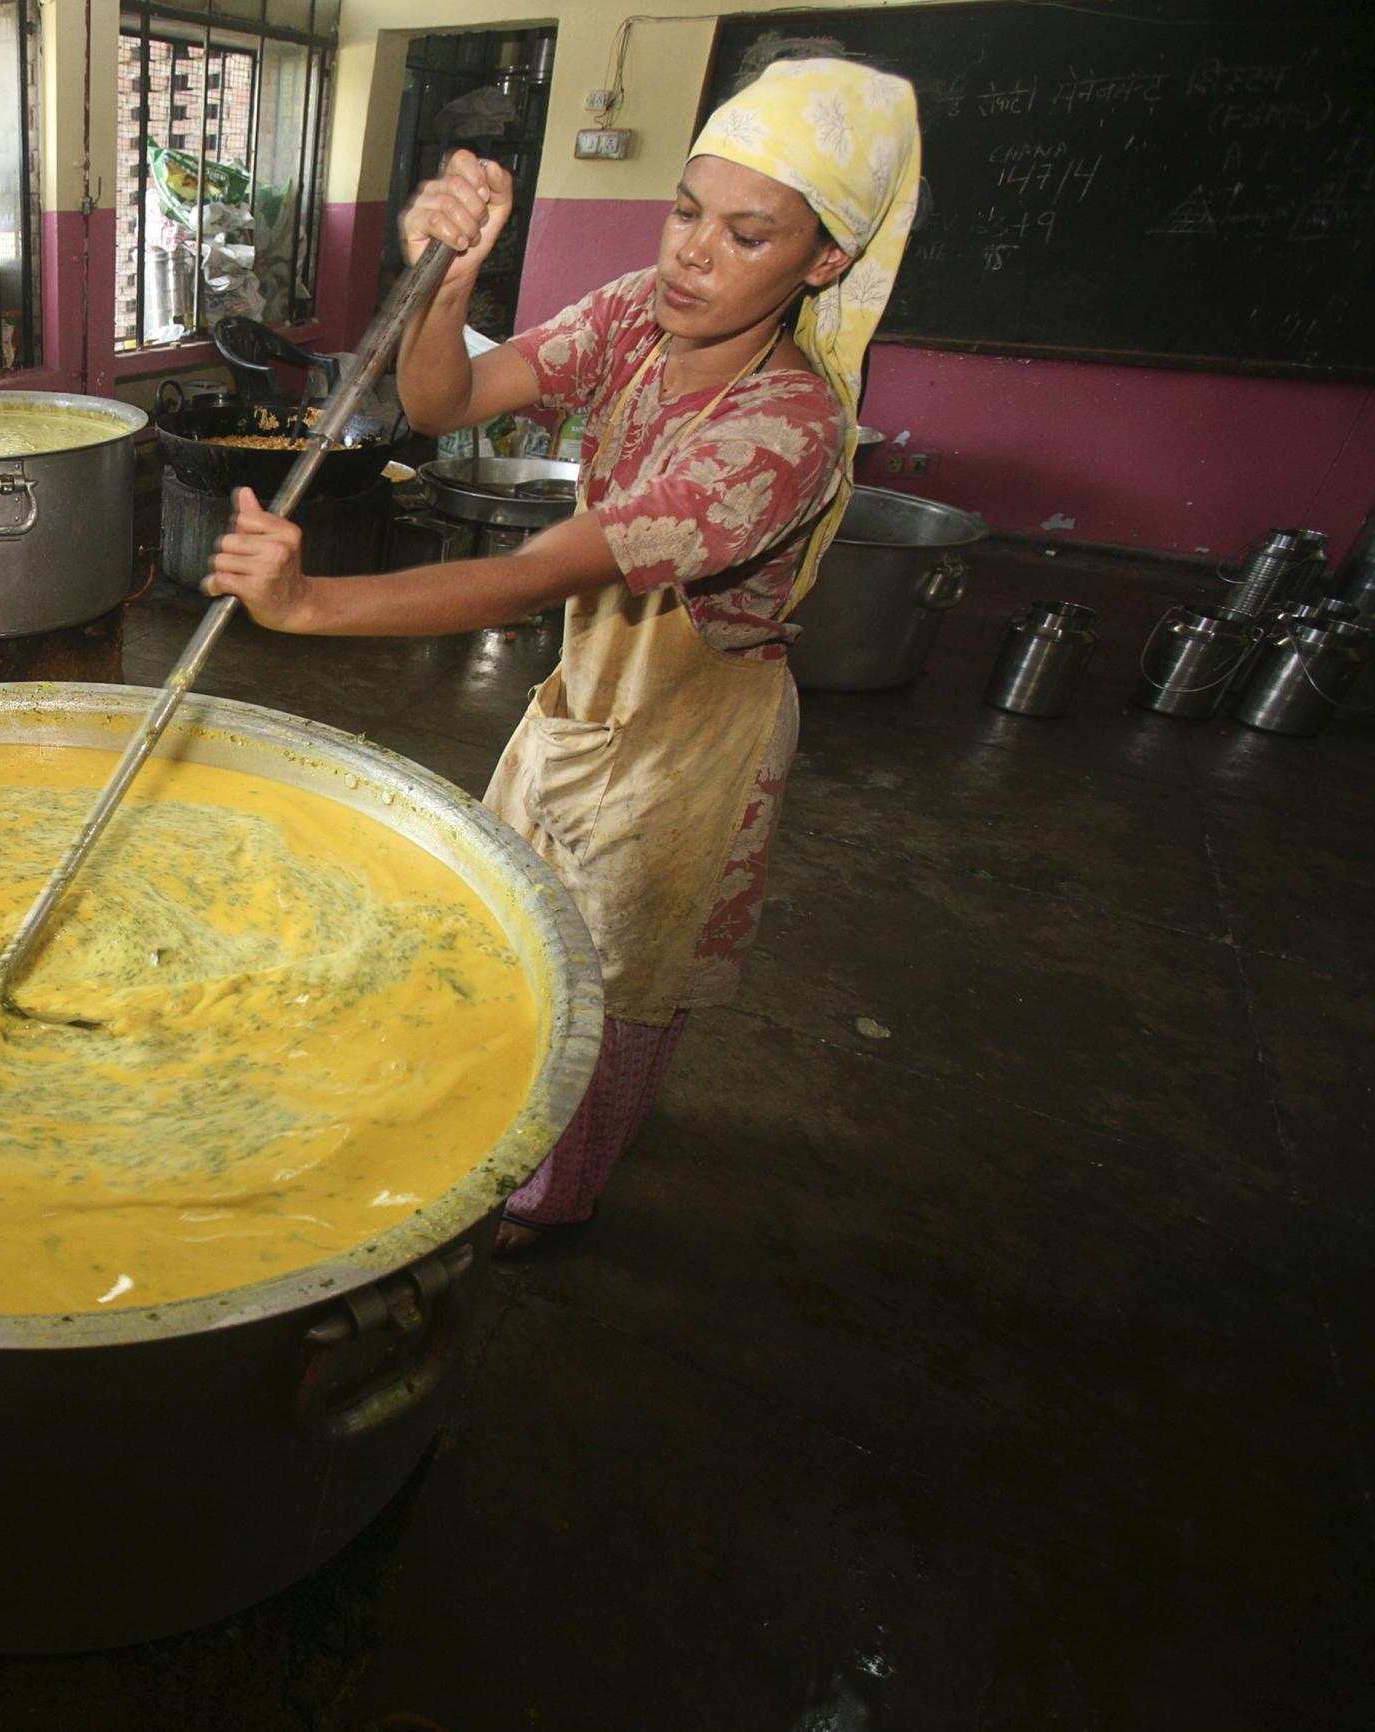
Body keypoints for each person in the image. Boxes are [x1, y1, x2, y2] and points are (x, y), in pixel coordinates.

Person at [205, 59, 921, 1251]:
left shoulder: (782, 431)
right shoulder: (642, 312)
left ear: (824, 262)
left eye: (746, 234)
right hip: (589, 689)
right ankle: (497, 1121)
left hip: (693, 734)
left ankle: (545, 1199)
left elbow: (544, 571)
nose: (692, 253)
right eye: (685, 210)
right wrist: (451, 275)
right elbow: (448, 402)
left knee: (620, 974)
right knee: (526, 929)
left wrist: (312, 604)